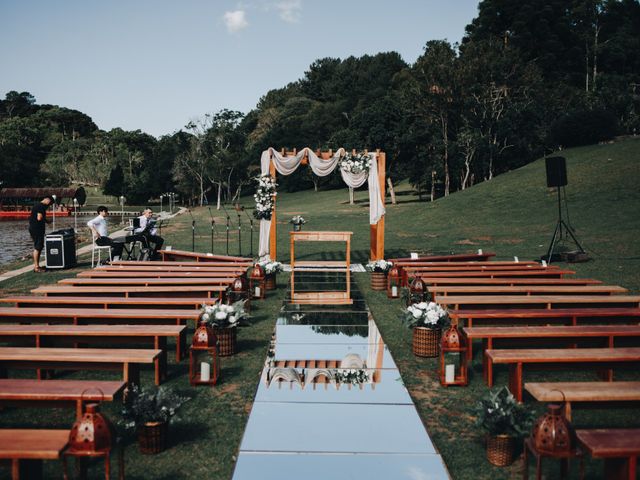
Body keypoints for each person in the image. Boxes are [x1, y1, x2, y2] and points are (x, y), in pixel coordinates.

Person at [28, 195, 53, 272]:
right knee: (38, 247)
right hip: (36, 229)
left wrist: (47, 221)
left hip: (35, 228)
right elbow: (39, 218)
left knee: (39, 246)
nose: (49, 205)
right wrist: (45, 220)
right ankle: (36, 267)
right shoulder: (40, 206)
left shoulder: (39, 206)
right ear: (48, 200)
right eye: (50, 203)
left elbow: (40, 216)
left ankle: (37, 266)